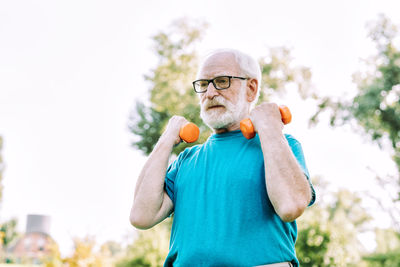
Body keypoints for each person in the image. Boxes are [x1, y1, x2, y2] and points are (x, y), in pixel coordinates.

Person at [130, 49, 316, 267]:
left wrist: (269, 127)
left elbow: (291, 206)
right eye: (203, 84)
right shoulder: (186, 161)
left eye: (221, 81)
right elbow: (141, 216)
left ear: (251, 88)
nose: (209, 93)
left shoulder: (280, 146)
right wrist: (167, 138)